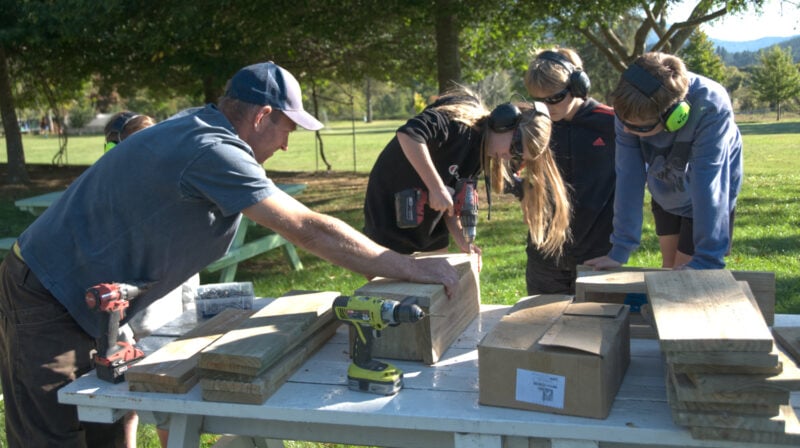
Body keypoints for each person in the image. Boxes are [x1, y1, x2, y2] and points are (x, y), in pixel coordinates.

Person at [0, 61, 459, 448]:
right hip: (47, 295)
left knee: (109, 423)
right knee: (53, 433)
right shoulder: (210, 148)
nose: (285, 144)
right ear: (262, 116)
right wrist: (407, 266)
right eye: (286, 128)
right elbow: (309, 229)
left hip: (98, 304)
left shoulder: (206, 132)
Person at [363, 87, 571, 266]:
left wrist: (462, 240)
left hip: (428, 226)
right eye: (515, 146)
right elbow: (409, 134)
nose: (509, 156)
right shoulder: (457, 124)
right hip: (388, 213)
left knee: (433, 295)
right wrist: (436, 187)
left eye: (517, 156)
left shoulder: (481, 153)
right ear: (504, 122)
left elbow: (450, 199)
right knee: (389, 296)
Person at [584, 51, 743, 271]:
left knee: (689, 283)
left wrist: (707, 259)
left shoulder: (711, 106)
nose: (628, 130)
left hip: (706, 199)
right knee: (669, 270)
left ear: (676, 117)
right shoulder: (629, 111)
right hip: (667, 187)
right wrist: (619, 251)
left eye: (640, 128)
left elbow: (709, 182)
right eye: (623, 122)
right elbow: (628, 176)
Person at [104, 110, 200, 448]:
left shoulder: (173, 187)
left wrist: (192, 312)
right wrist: (121, 332)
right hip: (134, 322)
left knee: (170, 405)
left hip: (173, 317)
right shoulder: (108, 199)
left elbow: (188, 262)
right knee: (123, 402)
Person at [522, 48, 616, 294]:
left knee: (595, 327)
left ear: (577, 86)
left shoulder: (611, 123)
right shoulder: (535, 125)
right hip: (543, 255)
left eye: (554, 98)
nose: (546, 107)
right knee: (539, 324)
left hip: (597, 254)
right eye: (538, 100)